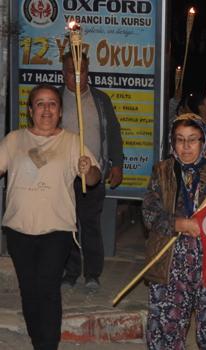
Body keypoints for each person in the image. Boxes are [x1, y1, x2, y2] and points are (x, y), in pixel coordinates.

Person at [0, 84, 101, 350]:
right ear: (30, 110)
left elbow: (93, 179)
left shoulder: (72, 141)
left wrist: (87, 168)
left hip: (56, 229)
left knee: (47, 288)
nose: (46, 109)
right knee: (29, 290)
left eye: (52, 104)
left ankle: (47, 346)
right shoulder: (14, 139)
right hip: (18, 228)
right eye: (40, 104)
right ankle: (38, 340)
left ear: (60, 111)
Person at [142, 113, 206, 349]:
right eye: (179, 139)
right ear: (172, 143)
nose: (186, 147)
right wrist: (179, 224)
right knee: (166, 331)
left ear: (203, 141)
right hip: (171, 265)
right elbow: (148, 213)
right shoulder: (162, 171)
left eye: (192, 139)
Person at [60, 52, 124, 290]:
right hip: (63, 177)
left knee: (90, 224)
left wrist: (117, 163)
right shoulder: (55, 99)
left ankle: (93, 273)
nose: (76, 77)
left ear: (88, 72)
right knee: (67, 225)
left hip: (93, 174)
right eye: (70, 71)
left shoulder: (100, 99)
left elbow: (114, 133)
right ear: (63, 73)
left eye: (82, 71)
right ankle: (70, 272)